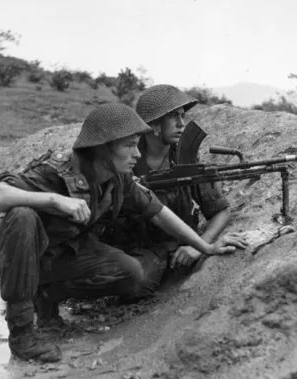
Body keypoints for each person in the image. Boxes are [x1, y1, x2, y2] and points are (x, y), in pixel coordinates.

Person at [0, 103, 246, 363]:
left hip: (58, 255)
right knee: (22, 215)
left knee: (132, 273)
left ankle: (45, 296)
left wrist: (204, 246)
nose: (137, 154)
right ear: (103, 148)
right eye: (129, 146)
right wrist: (54, 200)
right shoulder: (55, 170)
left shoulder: (118, 178)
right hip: (13, 253)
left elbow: (158, 212)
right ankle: (22, 336)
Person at [102, 85, 244, 294]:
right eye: (173, 117)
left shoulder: (184, 159)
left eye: (182, 116)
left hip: (173, 242)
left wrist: (198, 246)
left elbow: (220, 211)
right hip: (130, 243)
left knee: (136, 283)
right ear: (155, 124)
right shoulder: (128, 157)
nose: (181, 123)